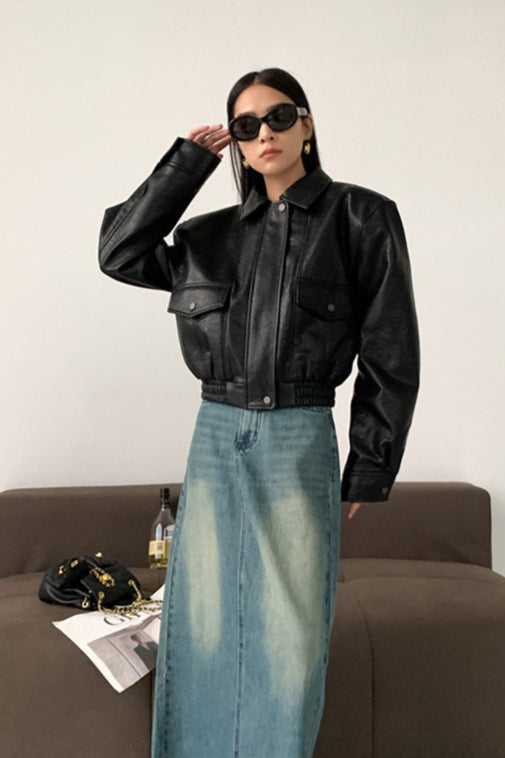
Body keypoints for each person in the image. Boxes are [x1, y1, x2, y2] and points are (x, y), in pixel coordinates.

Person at [98, 67, 420, 758]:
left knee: (289, 633)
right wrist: (185, 167)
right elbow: (119, 252)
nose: (264, 134)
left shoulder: (360, 216)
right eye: (246, 126)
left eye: (278, 116)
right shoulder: (207, 235)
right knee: (202, 623)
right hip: (215, 434)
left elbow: (391, 347)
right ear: (236, 144)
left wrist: (370, 464)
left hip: (297, 435)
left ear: (306, 123)